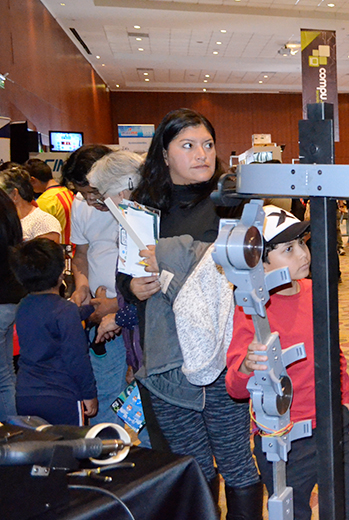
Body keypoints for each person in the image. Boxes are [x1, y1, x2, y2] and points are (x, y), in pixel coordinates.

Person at [116, 108, 261, 519]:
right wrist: (133, 286)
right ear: (164, 154)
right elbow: (125, 271)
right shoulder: (143, 209)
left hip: (221, 350)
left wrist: (173, 258)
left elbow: (250, 265)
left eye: (208, 145)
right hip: (168, 355)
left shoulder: (230, 202)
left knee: (235, 459)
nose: (202, 154)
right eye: (188, 145)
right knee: (191, 463)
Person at [226, 206, 349, 520]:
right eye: (288, 249)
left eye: (302, 244)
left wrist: (345, 400)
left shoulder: (316, 292)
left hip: (332, 426)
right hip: (283, 439)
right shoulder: (252, 308)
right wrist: (248, 366)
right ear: (259, 261)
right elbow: (235, 388)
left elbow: (335, 355)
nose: (303, 254)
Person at [78, 150, 150, 445]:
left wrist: (118, 316)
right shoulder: (136, 223)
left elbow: (157, 299)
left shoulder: (145, 226)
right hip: (142, 347)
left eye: (103, 197)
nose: (101, 205)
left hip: (158, 351)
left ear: (122, 190)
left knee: (158, 437)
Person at [10, 238, 98, 425]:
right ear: (60, 275)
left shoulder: (23, 306)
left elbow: (46, 320)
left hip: (26, 393)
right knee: (69, 450)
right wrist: (89, 394)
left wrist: (87, 310)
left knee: (39, 450)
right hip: (61, 396)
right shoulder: (65, 312)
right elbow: (77, 358)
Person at [0, 190, 24, 421]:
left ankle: (14, 435)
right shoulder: (5, 204)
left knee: (3, 377)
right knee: (6, 375)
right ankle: (17, 435)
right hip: (11, 297)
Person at [0, 166, 61, 242]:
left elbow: (47, 253)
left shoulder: (44, 222)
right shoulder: (5, 220)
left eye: (1, 194)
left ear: (14, 194)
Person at [24, 158, 74, 243]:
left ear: (32, 180)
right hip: (73, 250)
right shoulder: (69, 193)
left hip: (58, 250)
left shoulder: (45, 200)